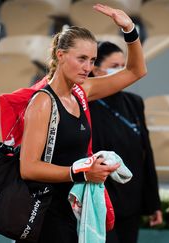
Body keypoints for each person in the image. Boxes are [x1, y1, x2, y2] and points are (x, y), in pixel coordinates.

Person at [18, 4, 146, 243]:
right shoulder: (43, 102)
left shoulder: (81, 91)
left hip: (75, 208)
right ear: (60, 55)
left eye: (93, 60)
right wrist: (81, 172)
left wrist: (129, 29)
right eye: (82, 59)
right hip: (47, 213)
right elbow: (28, 168)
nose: (88, 68)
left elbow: (136, 70)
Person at [88, 41, 163, 243]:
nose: (121, 71)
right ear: (95, 70)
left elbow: (146, 154)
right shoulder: (84, 103)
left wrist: (153, 202)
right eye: (114, 66)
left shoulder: (134, 102)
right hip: (99, 200)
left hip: (131, 200)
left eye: (124, 65)